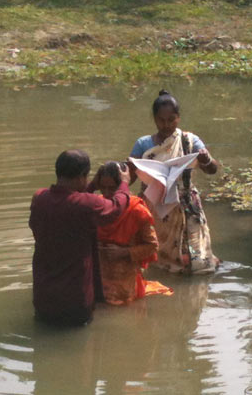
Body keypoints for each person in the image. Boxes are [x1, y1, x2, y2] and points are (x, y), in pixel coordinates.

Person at [30, 150, 132, 326]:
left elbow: (73, 199)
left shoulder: (39, 198)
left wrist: (92, 184)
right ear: (81, 177)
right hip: (75, 303)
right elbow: (115, 207)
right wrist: (123, 184)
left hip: (43, 300)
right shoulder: (87, 204)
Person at [130, 91, 221, 274]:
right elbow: (130, 176)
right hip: (154, 206)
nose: (166, 125)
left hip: (185, 204)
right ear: (154, 119)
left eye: (171, 120)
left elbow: (212, 170)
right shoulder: (143, 144)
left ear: (178, 118)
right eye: (161, 120)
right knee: (158, 257)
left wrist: (205, 160)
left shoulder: (189, 141)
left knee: (197, 259)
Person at [92, 161, 173, 306]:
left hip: (124, 281)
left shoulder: (137, 210)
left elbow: (152, 246)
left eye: (112, 188)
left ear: (122, 186)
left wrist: (123, 252)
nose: (106, 193)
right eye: (102, 188)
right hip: (96, 278)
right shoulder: (96, 206)